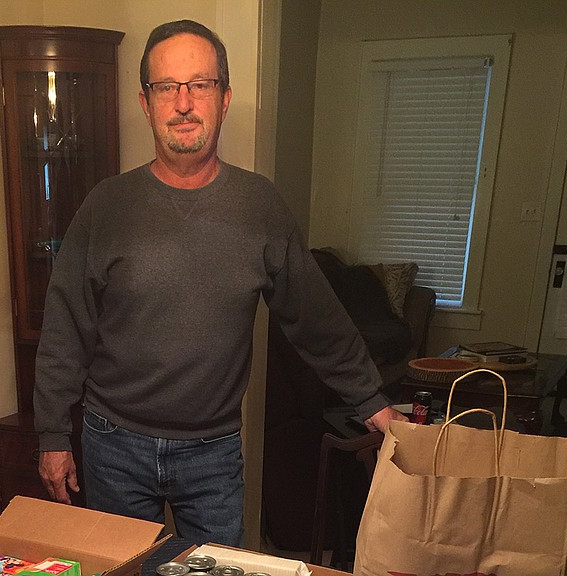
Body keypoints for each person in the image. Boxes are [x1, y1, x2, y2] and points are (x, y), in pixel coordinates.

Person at [33, 19, 406, 546]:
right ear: (146, 103)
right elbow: (64, 326)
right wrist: (52, 434)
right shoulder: (106, 206)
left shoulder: (261, 206)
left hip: (211, 452)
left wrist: (370, 399)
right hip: (113, 444)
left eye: (199, 85)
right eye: (167, 87)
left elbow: (315, 316)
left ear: (224, 98)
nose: (183, 103)